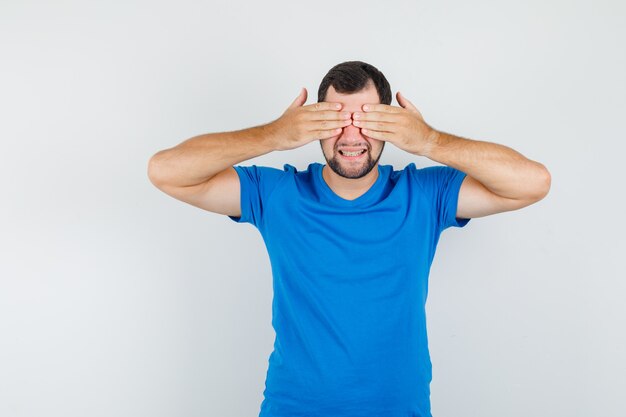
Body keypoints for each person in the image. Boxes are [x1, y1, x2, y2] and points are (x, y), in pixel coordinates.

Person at [147, 61, 551, 417]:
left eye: (369, 120)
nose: (351, 135)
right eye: (336, 120)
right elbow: (166, 171)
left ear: (391, 126)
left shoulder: (424, 195)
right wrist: (273, 135)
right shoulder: (276, 194)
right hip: (294, 408)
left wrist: (429, 141)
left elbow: (532, 183)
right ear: (315, 125)